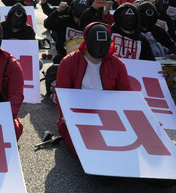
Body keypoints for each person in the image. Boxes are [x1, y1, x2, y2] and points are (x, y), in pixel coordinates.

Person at [55, 22, 131, 154]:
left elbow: (127, 95)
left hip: (108, 116)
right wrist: (67, 116)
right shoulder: (69, 62)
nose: (100, 47)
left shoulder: (118, 65)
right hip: (78, 115)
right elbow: (62, 94)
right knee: (85, 148)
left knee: (122, 148)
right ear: (87, 41)